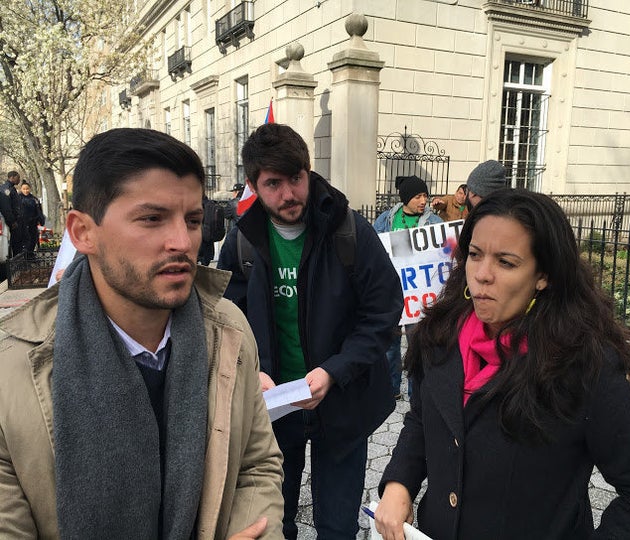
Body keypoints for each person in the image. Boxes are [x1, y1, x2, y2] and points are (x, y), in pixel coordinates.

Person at [0, 128, 284, 539]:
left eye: (193, 221)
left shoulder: (229, 330)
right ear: (83, 233)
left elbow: (255, 465)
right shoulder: (11, 375)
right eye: (151, 219)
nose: (182, 242)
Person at [374, 189, 630, 540]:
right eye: (474, 255)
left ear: (543, 275)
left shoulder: (584, 364)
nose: (482, 275)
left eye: (506, 262)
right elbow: (424, 418)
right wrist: (399, 484)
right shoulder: (440, 333)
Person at [217, 123, 403, 539]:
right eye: (273, 183)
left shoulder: (350, 230)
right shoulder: (242, 242)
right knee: (271, 521)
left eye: (296, 178)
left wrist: (335, 370)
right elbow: (225, 320)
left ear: (309, 171)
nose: (288, 194)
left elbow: (385, 311)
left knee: (337, 527)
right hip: (273, 408)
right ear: (253, 185)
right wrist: (254, 371)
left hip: (343, 402)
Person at [373, 175, 443, 399]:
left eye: (425, 195)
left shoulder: (434, 223)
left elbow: (446, 253)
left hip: (419, 297)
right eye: (418, 196)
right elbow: (373, 248)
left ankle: (416, 394)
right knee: (390, 346)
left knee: (417, 346)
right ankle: (391, 389)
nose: (424, 200)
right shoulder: (386, 219)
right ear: (405, 198)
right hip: (392, 294)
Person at [0, 170, 23, 257]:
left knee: (19, 243)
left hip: (17, 221)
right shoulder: (6, 189)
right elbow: (6, 208)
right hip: (11, 222)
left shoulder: (12, 188)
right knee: (14, 244)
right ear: (12, 177)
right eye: (18, 178)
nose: (19, 180)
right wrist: (12, 221)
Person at [18, 181, 45, 253]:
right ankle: (25, 255)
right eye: (24, 189)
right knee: (24, 240)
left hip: (33, 222)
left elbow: (39, 211)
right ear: (21, 189)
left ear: (29, 189)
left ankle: (30, 254)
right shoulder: (18, 198)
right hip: (22, 223)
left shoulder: (34, 199)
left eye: (27, 189)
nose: (26, 191)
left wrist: (40, 220)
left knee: (33, 239)